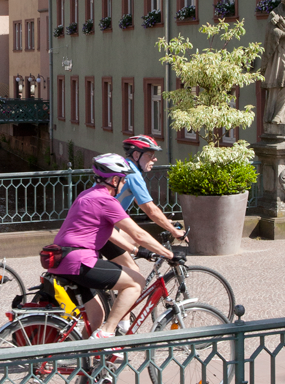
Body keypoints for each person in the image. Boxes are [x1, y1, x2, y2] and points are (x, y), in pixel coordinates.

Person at [48, 153, 175, 343]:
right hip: (79, 262)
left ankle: (86, 364)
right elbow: (138, 234)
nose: (124, 184)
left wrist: (137, 251)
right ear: (114, 180)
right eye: (123, 180)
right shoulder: (106, 201)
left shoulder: (86, 195)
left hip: (62, 260)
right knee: (136, 282)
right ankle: (108, 332)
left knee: (96, 317)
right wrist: (169, 254)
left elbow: (107, 233)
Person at [99, 135, 185, 272]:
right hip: (103, 228)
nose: (155, 159)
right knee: (134, 273)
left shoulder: (125, 168)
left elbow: (142, 204)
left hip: (106, 225)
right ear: (137, 154)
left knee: (138, 240)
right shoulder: (132, 174)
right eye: (150, 155)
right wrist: (173, 231)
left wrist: (164, 222)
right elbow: (150, 210)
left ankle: (111, 279)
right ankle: (114, 281)